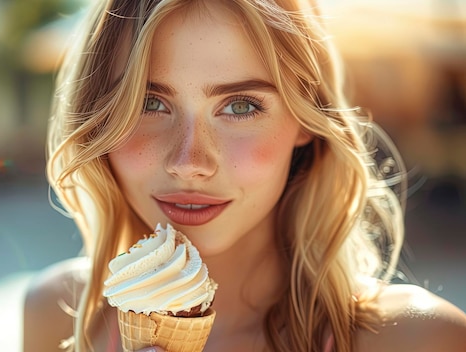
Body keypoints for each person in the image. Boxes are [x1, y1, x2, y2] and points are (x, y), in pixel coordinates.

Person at [23, 0, 466, 351]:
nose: (189, 161)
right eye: (148, 103)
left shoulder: (419, 340)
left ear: (306, 121)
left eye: (240, 106)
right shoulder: (58, 315)